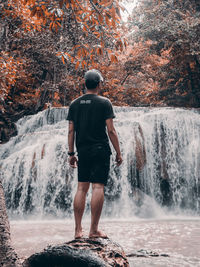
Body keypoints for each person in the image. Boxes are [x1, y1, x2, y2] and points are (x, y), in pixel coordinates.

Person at [67, 69, 122, 239]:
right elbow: (111, 130)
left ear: (85, 84)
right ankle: (93, 230)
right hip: (100, 150)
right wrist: (118, 153)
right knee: (98, 187)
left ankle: (77, 231)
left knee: (81, 188)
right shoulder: (105, 102)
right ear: (99, 84)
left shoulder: (74, 104)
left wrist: (71, 153)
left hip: (82, 150)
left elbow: (71, 131)